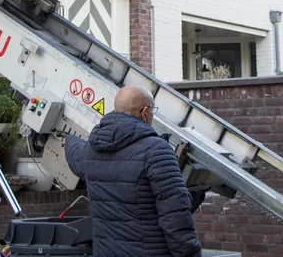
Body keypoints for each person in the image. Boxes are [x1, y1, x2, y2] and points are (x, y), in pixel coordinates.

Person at [64, 85, 202, 257]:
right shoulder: (157, 151)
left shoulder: (92, 149)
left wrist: (68, 140)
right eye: (153, 110)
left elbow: (74, 154)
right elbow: (176, 218)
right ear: (145, 112)